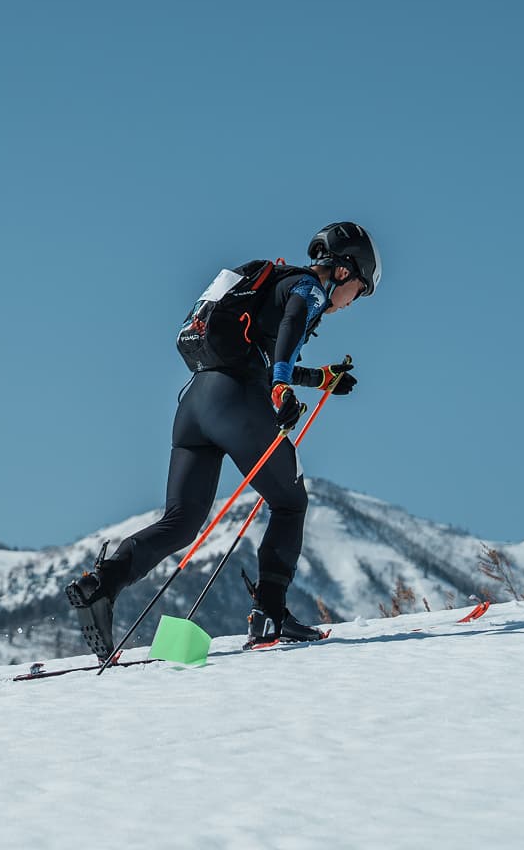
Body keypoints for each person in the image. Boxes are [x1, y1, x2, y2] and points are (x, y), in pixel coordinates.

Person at [66, 221, 379, 657]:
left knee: (180, 522)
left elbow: (271, 356)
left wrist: (321, 378)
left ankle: (102, 584)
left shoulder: (277, 282)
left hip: (194, 404)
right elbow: (289, 333)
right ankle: (270, 613)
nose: (352, 302)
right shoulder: (309, 289)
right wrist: (283, 388)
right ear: (344, 271)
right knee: (290, 503)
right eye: (360, 289)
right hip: (236, 402)